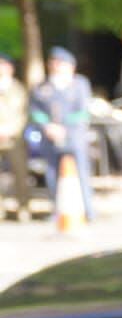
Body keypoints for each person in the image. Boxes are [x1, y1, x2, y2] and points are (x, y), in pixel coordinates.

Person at [30, 47, 95, 223]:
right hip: (50, 137)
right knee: (52, 174)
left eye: (61, 63)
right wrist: (47, 126)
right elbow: (35, 111)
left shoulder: (80, 84)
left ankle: (88, 210)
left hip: (74, 136)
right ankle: (57, 210)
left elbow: (83, 111)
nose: (57, 66)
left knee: (81, 172)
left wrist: (64, 127)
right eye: (54, 63)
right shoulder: (42, 87)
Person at [0, 56, 29, 220]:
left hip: (14, 138)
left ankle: (23, 207)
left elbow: (23, 115)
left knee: (20, 174)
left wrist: (9, 131)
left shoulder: (18, 89)